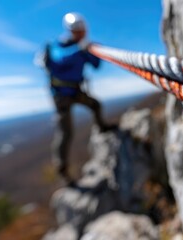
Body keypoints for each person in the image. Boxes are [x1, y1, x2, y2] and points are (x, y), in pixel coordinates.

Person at [37, 12, 116, 184]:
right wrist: (81, 48)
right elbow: (60, 60)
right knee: (66, 133)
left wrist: (93, 51)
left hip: (76, 91)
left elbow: (96, 65)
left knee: (95, 105)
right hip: (61, 96)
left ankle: (102, 127)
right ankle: (63, 172)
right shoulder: (55, 46)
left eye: (83, 31)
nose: (82, 34)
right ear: (71, 30)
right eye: (78, 31)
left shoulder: (81, 46)